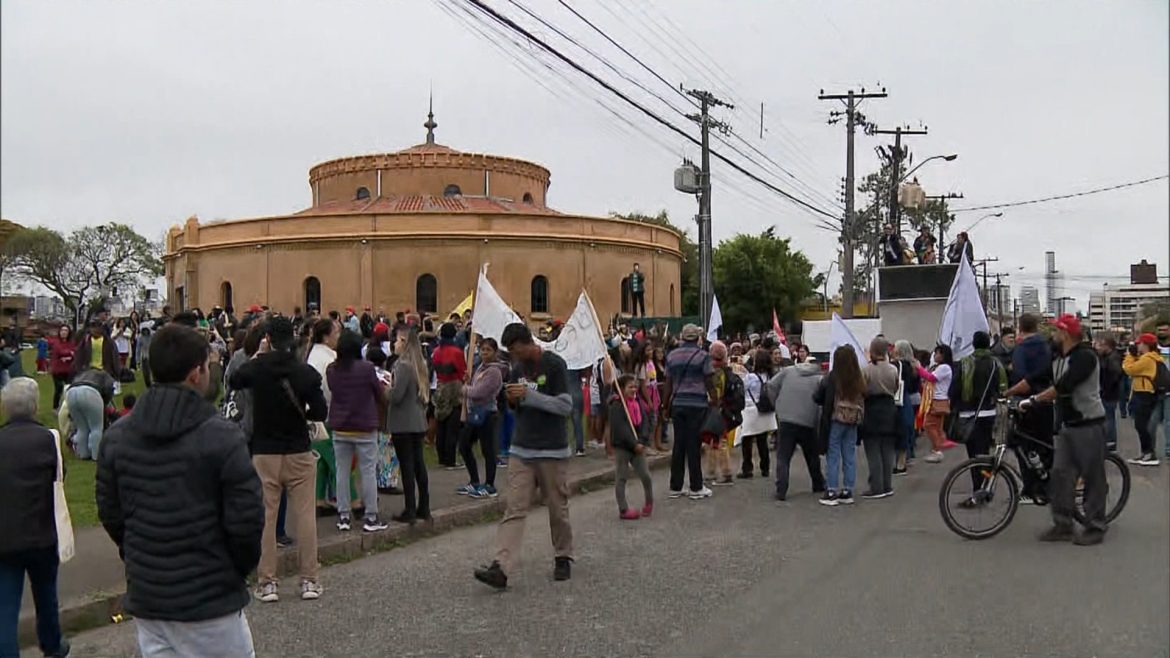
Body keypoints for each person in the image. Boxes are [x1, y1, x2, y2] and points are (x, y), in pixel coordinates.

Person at [96, 324, 264, 657]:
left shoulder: (117, 437)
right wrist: (233, 569)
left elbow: (111, 512)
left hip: (151, 594)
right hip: (209, 599)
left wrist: (139, 555)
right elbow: (246, 522)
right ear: (195, 374)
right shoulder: (221, 437)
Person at [229, 317, 328, 604]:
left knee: (266, 519)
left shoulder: (258, 368)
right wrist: (304, 416)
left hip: (265, 451)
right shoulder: (304, 372)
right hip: (298, 449)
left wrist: (260, 353)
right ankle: (309, 579)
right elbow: (321, 411)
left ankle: (267, 582)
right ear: (293, 339)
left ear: (268, 339)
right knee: (305, 517)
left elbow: (235, 379)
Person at [474, 323, 574, 589]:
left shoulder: (554, 365)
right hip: (522, 448)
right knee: (514, 508)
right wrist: (513, 400)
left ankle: (563, 555)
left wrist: (529, 395)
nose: (514, 356)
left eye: (516, 350)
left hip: (552, 449)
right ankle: (501, 567)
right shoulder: (517, 370)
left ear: (527, 342)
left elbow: (565, 406)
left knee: (556, 506)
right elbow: (519, 406)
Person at [1022, 314, 1108, 545]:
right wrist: (1008, 394)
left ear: (1066, 334)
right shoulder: (1059, 357)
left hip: (1088, 424)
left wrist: (1033, 401)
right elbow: (1035, 378)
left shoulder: (1085, 357)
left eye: (1056, 332)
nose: (1053, 336)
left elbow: (1063, 387)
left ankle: (1095, 526)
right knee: (1060, 475)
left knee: (1093, 478)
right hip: (1068, 427)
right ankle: (1063, 525)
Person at [0, 378, 71, 658]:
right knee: (46, 596)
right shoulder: (49, 439)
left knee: (6, 605)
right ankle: (52, 645)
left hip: (5, 535)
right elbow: (59, 477)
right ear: (35, 406)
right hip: (43, 532)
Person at [326, 330, 389, 533]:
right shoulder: (367, 368)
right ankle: (371, 516)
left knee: (342, 472)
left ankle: (343, 515)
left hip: (341, 427)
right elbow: (378, 393)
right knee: (368, 472)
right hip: (364, 426)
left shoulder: (332, 370)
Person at [948, 331, 1008, 504]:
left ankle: (979, 491)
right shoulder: (996, 363)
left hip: (969, 414)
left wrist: (955, 407)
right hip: (990, 414)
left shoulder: (965, 363)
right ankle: (986, 486)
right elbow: (1003, 387)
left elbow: (954, 390)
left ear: (973, 344)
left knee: (974, 457)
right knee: (986, 454)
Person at [1004, 313, 1057, 496]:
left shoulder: (1021, 349)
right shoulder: (1045, 346)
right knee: (1044, 445)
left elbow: (1025, 378)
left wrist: (1008, 392)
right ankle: (1046, 484)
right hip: (1046, 402)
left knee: (1024, 446)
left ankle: (1032, 487)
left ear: (1020, 326)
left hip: (1026, 402)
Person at [663, 324, 716, 500]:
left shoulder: (672, 356)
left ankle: (675, 486)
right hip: (697, 404)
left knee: (679, 444)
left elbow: (668, 383)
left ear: (682, 337)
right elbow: (709, 381)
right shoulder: (703, 356)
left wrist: (665, 406)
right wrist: (715, 401)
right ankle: (696, 486)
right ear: (697, 338)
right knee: (694, 444)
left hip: (678, 403)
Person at [764, 355, 825, 500]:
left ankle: (781, 490)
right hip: (808, 420)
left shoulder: (788, 371)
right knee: (812, 455)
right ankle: (818, 483)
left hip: (786, 418)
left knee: (783, 457)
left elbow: (771, 386)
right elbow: (821, 404)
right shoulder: (819, 379)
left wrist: (777, 404)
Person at [387, 328, 431, 524]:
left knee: (407, 466)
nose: (394, 344)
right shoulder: (420, 363)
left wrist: (385, 388)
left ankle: (410, 508)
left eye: (396, 341)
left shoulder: (402, 365)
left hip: (403, 422)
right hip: (418, 420)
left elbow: (396, 396)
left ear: (403, 342)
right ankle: (424, 506)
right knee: (419, 465)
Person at [815, 346, 866, 506]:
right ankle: (847, 490)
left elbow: (819, 396)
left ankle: (831, 490)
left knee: (833, 454)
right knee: (849, 454)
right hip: (853, 419)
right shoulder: (859, 377)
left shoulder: (833, 378)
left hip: (836, 419)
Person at [458, 337, 507, 499]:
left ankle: (490, 485)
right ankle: (474, 481)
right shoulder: (481, 367)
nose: (484, 353)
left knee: (488, 450)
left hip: (487, 413)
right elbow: (475, 386)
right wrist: (469, 382)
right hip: (475, 412)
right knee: (464, 445)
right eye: (482, 349)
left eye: (488, 350)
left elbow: (481, 392)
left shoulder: (495, 371)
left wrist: (466, 389)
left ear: (495, 352)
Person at [306, 319, 347, 510]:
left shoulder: (317, 354)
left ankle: (319, 498)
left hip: (319, 414)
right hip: (327, 414)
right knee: (336, 459)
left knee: (322, 460)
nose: (339, 337)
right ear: (326, 336)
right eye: (336, 333)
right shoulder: (328, 358)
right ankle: (352, 499)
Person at [609, 374, 654, 520]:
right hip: (624, 447)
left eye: (635, 386)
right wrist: (634, 445)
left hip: (638, 445)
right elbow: (621, 429)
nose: (634, 389)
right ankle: (623, 509)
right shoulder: (616, 406)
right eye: (630, 387)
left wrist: (642, 441)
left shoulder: (638, 403)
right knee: (621, 477)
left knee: (646, 476)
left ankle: (649, 502)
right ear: (621, 389)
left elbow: (645, 423)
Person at [860, 338, 900, 499]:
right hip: (889, 409)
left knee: (873, 450)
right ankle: (887, 485)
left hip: (872, 409)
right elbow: (896, 387)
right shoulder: (893, 369)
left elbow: (862, 390)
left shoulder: (867, 370)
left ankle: (876, 487)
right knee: (888, 450)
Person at [1122, 333, 1165, 466]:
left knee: (1141, 424)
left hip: (1144, 393)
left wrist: (1129, 355)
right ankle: (1145, 452)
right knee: (1141, 424)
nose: (1137, 345)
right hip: (1143, 392)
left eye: (1140, 343)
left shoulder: (1147, 359)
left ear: (1146, 345)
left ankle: (1149, 453)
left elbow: (1129, 369)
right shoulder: (1150, 357)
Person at [432, 323, 468, 469]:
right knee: (453, 424)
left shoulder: (436, 351)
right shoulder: (456, 351)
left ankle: (441, 457)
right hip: (454, 386)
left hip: (440, 385)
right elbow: (462, 370)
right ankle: (450, 459)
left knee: (441, 422)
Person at [738, 351, 777, 479]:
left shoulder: (751, 377)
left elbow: (741, 389)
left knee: (747, 441)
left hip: (751, 410)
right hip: (765, 411)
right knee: (762, 441)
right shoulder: (771, 377)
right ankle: (765, 468)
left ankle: (747, 469)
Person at [65, 366, 116, 460]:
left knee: (81, 428)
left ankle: (83, 454)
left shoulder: (82, 373)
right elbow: (109, 391)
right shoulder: (106, 376)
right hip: (91, 391)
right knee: (96, 427)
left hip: (71, 392)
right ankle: (96, 455)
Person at [917, 345, 956, 464]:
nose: (935, 356)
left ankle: (937, 449)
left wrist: (919, 368)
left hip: (937, 400)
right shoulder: (941, 367)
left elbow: (931, 377)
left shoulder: (944, 367)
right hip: (938, 399)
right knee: (937, 426)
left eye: (937, 353)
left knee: (928, 425)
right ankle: (938, 446)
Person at [892, 340, 921, 474]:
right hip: (910, 398)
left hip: (900, 399)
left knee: (900, 428)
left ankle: (901, 460)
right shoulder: (914, 365)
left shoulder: (898, 366)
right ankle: (908, 455)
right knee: (908, 427)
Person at [1095, 333, 1124, 451]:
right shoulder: (1108, 357)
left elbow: (1115, 374)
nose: (1098, 348)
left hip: (1108, 393)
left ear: (1107, 346)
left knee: (1109, 418)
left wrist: (1105, 388)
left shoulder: (1112, 358)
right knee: (1107, 418)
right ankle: (1109, 441)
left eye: (1100, 345)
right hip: (1107, 392)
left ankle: (1110, 442)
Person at [48, 325, 76, 411]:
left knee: (70, 388)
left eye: (66, 331)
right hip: (58, 370)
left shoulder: (72, 343)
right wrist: (68, 354)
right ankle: (55, 407)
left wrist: (68, 356)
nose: (63, 332)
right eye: (62, 330)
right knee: (59, 388)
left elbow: (75, 353)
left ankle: (69, 406)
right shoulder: (56, 343)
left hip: (69, 370)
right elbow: (58, 353)